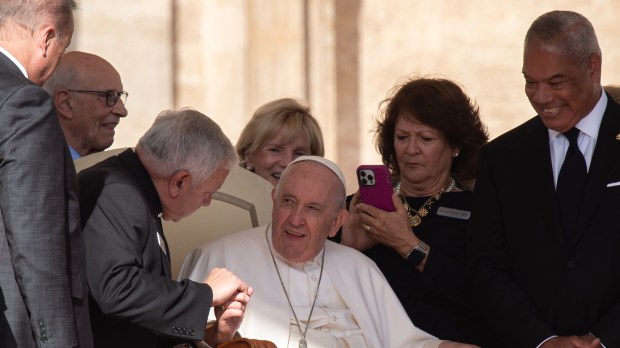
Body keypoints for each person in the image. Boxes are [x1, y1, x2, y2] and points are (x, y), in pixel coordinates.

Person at [179, 155, 477, 348]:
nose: (295, 219)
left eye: (312, 208)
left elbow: (403, 342)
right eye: (288, 202)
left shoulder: (359, 268)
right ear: (274, 198)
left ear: (336, 222)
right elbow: (182, 341)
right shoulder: (218, 257)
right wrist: (220, 336)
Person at [467, 10, 620, 348]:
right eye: (529, 82)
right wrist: (543, 340)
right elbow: (486, 266)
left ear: (593, 66)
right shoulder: (502, 158)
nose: (541, 97)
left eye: (555, 82)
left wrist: (605, 338)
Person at [78, 108, 252, 348]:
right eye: (208, 192)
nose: (207, 202)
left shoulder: (137, 195)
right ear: (179, 182)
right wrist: (205, 294)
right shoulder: (115, 191)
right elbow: (116, 289)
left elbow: (137, 316)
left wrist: (215, 336)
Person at [337, 77, 489, 346]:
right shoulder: (357, 208)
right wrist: (348, 249)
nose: (411, 149)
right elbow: (318, 289)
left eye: (426, 138)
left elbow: (485, 297)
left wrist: (409, 246)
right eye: (402, 137)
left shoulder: (480, 210)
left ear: (455, 146)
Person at [0, 1, 94, 347]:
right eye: (63, 49)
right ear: (47, 38)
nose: (56, 65)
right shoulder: (24, 102)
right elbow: (36, 243)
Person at [43, 51, 129, 159]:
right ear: (65, 103)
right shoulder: (35, 169)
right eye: (108, 96)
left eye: (119, 96)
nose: (122, 111)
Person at [236, 97, 324, 186]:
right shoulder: (224, 197)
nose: (288, 163)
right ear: (248, 156)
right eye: (275, 150)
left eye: (299, 154)